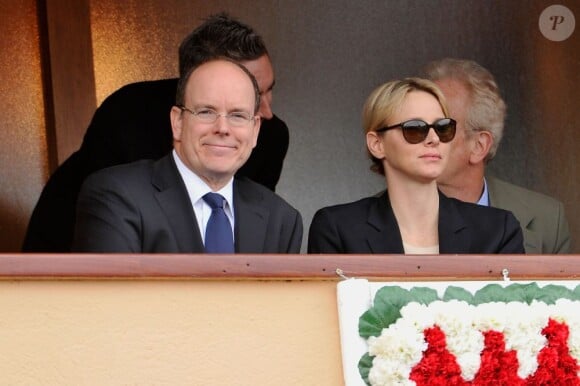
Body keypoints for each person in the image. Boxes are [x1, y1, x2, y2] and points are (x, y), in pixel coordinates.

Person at [22, 13, 289, 252]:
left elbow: (252, 229)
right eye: (253, 94)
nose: (265, 111)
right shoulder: (127, 114)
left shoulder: (270, 135)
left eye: (269, 90)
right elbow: (110, 223)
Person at [72, 58, 302, 253]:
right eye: (206, 112)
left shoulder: (281, 219)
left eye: (238, 116)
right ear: (178, 122)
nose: (223, 128)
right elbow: (112, 303)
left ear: (255, 131)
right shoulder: (116, 196)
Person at [308, 77, 524, 254]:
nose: (434, 139)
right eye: (414, 129)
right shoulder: (338, 227)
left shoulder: (498, 230)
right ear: (377, 144)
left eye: (443, 128)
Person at [421, 58, 571, 254]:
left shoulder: (546, 218)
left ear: (479, 146)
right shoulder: (376, 218)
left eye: (442, 127)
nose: (423, 137)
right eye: (418, 124)